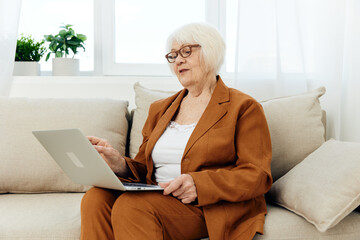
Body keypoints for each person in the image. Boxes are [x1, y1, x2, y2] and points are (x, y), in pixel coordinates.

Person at [80, 22, 272, 240]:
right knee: (95, 199)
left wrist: (199, 185)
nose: (178, 60)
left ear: (211, 51)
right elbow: (144, 168)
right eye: (173, 55)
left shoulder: (243, 107)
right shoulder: (160, 109)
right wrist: (120, 164)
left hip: (208, 206)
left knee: (132, 206)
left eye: (186, 52)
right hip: (157, 196)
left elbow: (257, 175)